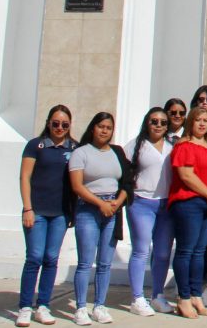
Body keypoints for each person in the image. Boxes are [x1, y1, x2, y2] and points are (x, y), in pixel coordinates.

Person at [68, 112, 132, 326]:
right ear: (93, 128)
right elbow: (77, 186)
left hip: (112, 208)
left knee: (105, 263)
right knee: (85, 262)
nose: (104, 130)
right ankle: (80, 307)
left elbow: (127, 181)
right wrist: (100, 203)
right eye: (101, 126)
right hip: (89, 209)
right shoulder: (81, 152)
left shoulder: (117, 152)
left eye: (108, 127)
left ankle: (99, 305)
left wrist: (117, 202)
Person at [17, 105, 77, 328]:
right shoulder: (36, 145)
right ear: (48, 123)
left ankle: (43, 305)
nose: (59, 128)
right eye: (55, 123)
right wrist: (27, 208)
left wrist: (73, 212)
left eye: (64, 124)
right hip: (37, 212)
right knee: (34, 257)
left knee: (51, 259)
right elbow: (25, 177)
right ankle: (24, 306)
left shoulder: (74, 148)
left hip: (60, 214)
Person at [167, 107, 207, 318]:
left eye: (205, 120)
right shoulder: (184, 146)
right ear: (190, 122)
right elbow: (186, 175)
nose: (202, 124)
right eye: (198, 120)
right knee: (186, 251)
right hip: (189, 203)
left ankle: (195, 295)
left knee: (200, 252)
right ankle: (183, 298)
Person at [123, 107, 175, 316]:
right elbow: (124, 172)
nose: (159, 125)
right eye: (154, 121)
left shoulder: (172, 145)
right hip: (141, 203)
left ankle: (158, 295)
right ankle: (137, 297)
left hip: (165, 205)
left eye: (163, 122)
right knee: (141, 250)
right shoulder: (135, 145)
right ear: (147, 122)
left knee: (162, 253)